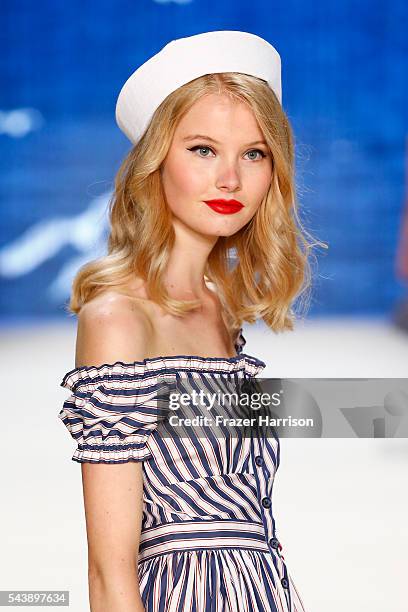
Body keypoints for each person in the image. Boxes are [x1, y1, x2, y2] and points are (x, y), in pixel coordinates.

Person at [58, 30, 316, 612]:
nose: (230, 179)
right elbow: (108, 569)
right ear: (156, 161)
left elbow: (248, 517)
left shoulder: (222, 310)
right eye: (202, 149)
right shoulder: (118, 321)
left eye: (254, 153)